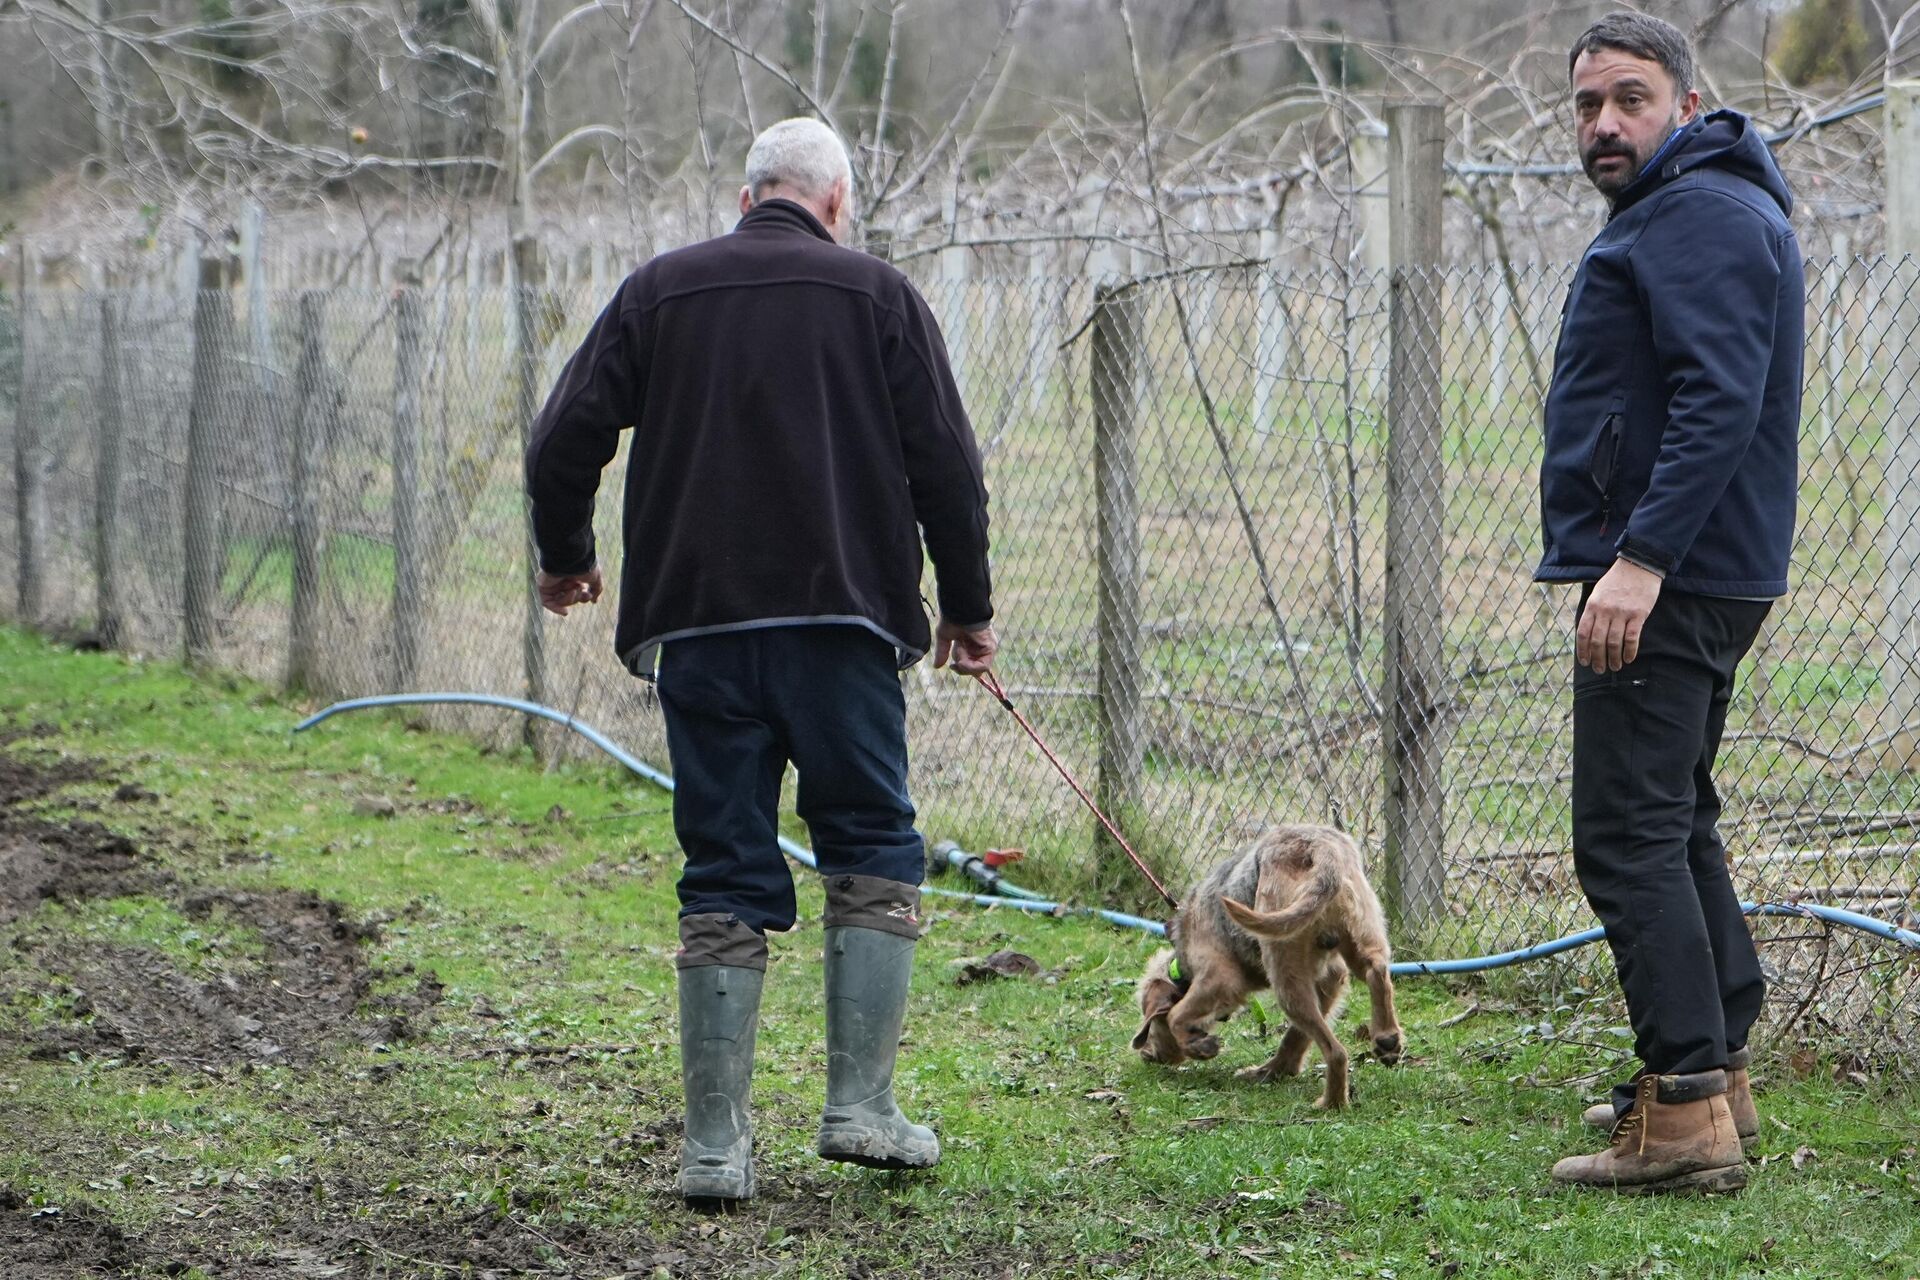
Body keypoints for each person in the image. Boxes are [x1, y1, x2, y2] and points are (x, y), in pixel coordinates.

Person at [523, 117, 997, 1208]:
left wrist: (567, 558)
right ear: (835, 205)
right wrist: (967, 612)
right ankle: (862, 1108)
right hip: (844, 629)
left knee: (724, 861)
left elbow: (561, 440)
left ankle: (714, 1146)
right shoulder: (878, 296)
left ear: (748, 200)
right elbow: (948, 471)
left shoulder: (660, 292)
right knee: (874, 840)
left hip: (698, 628)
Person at [1538, 12, 1802, 1194]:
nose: (1604, 124)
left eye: (1630, 100)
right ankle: (1714, 1072)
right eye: (1588, 104)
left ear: (1687, 107)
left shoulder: (1696, 212)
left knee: (1625, 833)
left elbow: (1716, 398)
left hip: (1673, 573)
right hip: (1701, 566)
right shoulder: (1696, 206)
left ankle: (1685, 1103)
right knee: (1675, 821)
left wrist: (1637, 559)